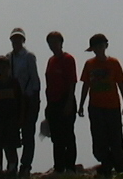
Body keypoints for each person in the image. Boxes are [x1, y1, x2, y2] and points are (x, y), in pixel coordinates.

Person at [77, 34, 123, 176]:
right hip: (95, 106)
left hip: (113, 106)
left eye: (101, 45)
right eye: (96, 47)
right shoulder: (89, 64)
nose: (99, 49)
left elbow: (121, 84)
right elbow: (86, 85)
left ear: (106, 46)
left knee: (116, 136)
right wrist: (81, 104)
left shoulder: (114, 63)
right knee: (99, 137)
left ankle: (119, 163)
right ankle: (105, 163)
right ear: (92, 49)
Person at [7, 28, 41, 176]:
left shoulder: (29, 57)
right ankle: (12, 164)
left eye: (19, 39)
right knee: (11, 133)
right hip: (13, 100)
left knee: (28, 132)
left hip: (28, 98)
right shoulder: (8, 57)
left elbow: (35, 79)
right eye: (14, 39)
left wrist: (34, 98)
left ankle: (26, 165)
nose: (16, 41)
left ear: (23, 40)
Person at [44, 31, 77, 173]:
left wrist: (69, 102)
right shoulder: (51, 60)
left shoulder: (68, 59)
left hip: (65, 100)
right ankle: (59, 166)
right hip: (53, 102)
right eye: (50, 42)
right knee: (56, 136)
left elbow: (72, 82)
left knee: (68, 134)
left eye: (55, 42)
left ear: (61, 42)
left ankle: (70, 166)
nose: (53, 45)